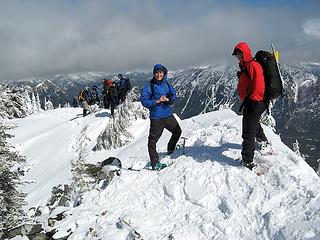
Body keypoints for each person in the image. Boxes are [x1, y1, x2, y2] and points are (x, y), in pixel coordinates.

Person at [232, 41, 269, 170]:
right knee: (253, 123)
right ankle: (263, 141)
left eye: (240, 53)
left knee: (248, 133)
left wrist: (253, 100)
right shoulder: (246, 66)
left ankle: (247, 161)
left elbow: (259, 85)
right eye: (237, 54)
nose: (238, 56)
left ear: (245, 53)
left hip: (254, 103)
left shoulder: (253, 65)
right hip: (254, 102)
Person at [140, 64, 182, 170]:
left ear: (164, 74)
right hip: (157, 118)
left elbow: (173, 94)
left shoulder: (166, 84)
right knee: (152, 141)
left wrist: (171, 99)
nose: (159, 75)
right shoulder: (149, 86)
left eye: (161, 73)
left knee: (177, 131)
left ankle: (171, 149)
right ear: (154, 74)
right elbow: (144, 101)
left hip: (168, 115)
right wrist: (157, 101)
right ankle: (155, 163)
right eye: (157, 73)